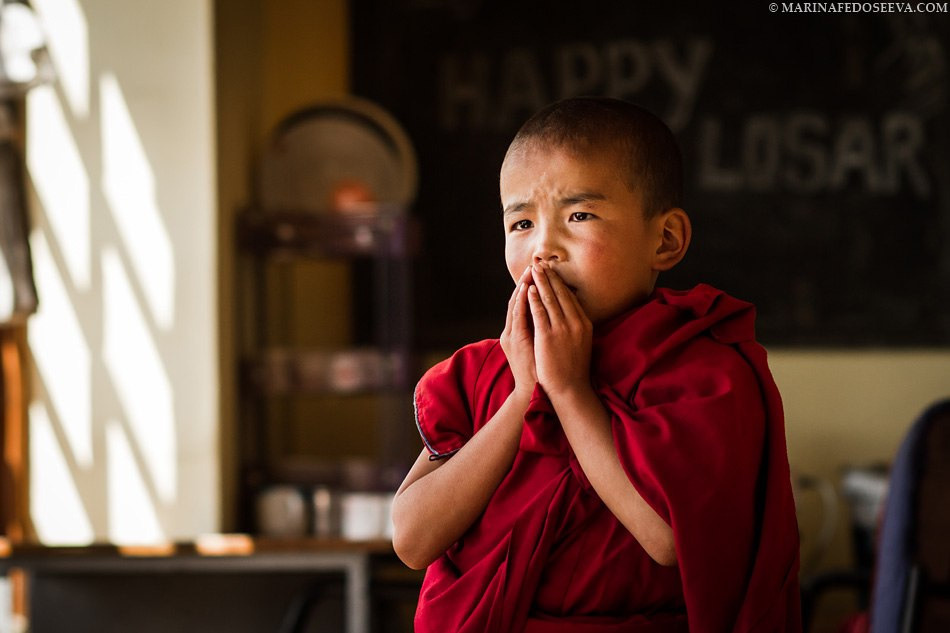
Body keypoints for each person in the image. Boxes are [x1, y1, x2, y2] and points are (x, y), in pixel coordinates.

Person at [392, 97, 802, 632]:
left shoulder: (699, 368)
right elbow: (413, 540)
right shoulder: (480, 372)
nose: (543, 249)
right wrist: (523, 395)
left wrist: (566, 391)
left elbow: (665, 537)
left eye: (579, 216)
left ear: (666, 238)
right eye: (520, 224)